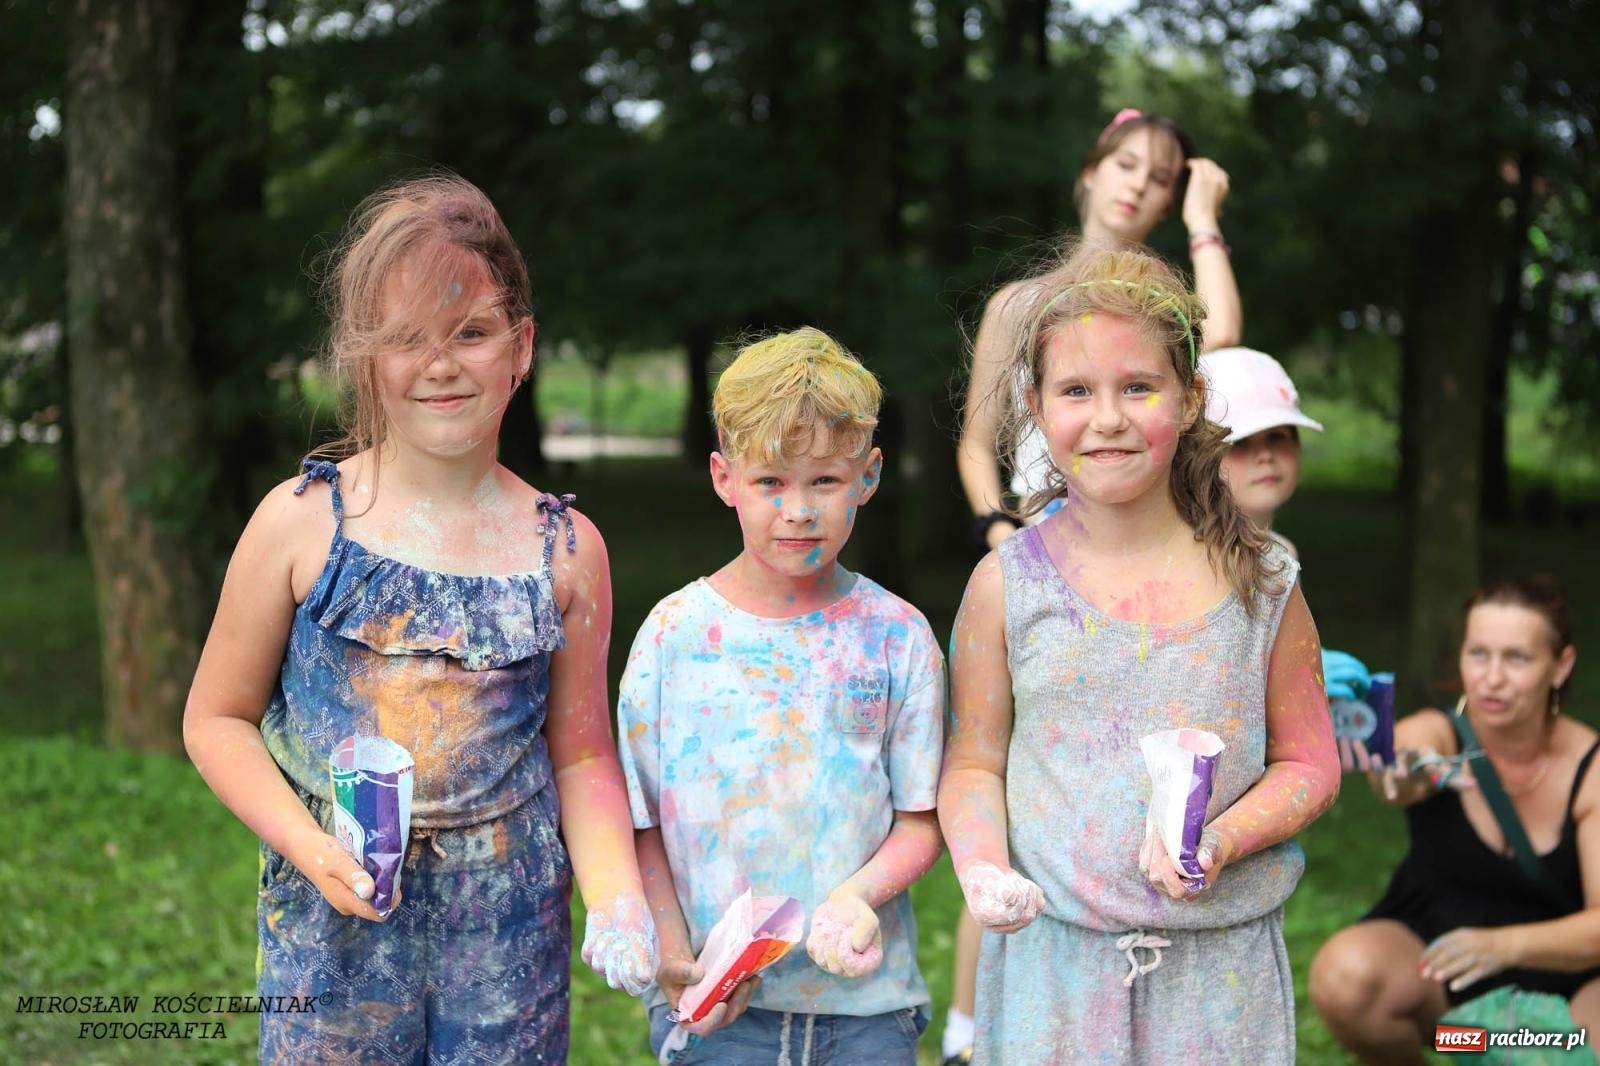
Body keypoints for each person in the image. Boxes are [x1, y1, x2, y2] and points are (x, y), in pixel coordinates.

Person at [182, 174, 656, 1064]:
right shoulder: (301, 523)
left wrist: (619, 898)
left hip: (508, 938)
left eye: (471, 333)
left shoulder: (566, 550)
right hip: (332, 927)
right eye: (406, 339)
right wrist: (308, 846)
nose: (441, 365)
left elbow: (584, 755)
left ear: (521, 347)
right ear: (364, 357)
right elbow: (215, 720)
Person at [938, 241, 1339, 1064]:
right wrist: (982, 867)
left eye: (1138, 387)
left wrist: (1223, 839)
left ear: (1190, 400)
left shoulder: (1262, 579)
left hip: (1218, 985)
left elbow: (1310, 764)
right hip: (1055, 979)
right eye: (1076, 390)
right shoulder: (1006, 585)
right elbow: (974, 762)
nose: (1108, 417)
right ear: (1034, 405)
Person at [944, 108, 1243, 1062]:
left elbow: (1224, 338)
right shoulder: (1018, 304)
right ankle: (971, 1025)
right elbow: (976, 442)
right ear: (1089, 170)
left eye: (1161, 177)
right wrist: (1000, 528)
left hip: (1143, 564)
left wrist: (1205, 221)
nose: (1138, 185)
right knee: (1016, 784)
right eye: (1127, 165)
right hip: (1037, 560)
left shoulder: (1161, 302)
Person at [618, 327, 946, 1064]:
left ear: (868, 475)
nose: (797, 509)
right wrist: (673, 952)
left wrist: (857, 897)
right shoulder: (673, 636)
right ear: (723, 477)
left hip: (866, 1010)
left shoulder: (897, 636)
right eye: (770, 482)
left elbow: (920, 820)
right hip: (719, 1007)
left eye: (824, 481)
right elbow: (640, 823)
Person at [1310, 578, 1596, 1063]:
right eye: (1479, 654)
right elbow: (1403, 762)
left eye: (1517, 658)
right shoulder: (1439, 731)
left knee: (1566, 1048)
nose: (1492, 678)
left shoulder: (1590, 769)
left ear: (1560, 666)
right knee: (1346, 979)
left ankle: (1512, 1046)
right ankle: (1472, 1042)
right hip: (1443, 976)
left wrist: (1502, 946)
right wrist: (1401, 771)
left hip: (1567, 977)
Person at [1199, 346, 1323, 558]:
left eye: (1276, 437)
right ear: (1197, 456)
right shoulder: (1193, 562)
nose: (1265, 455)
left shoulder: (1283, 553)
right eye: (1239, 442)